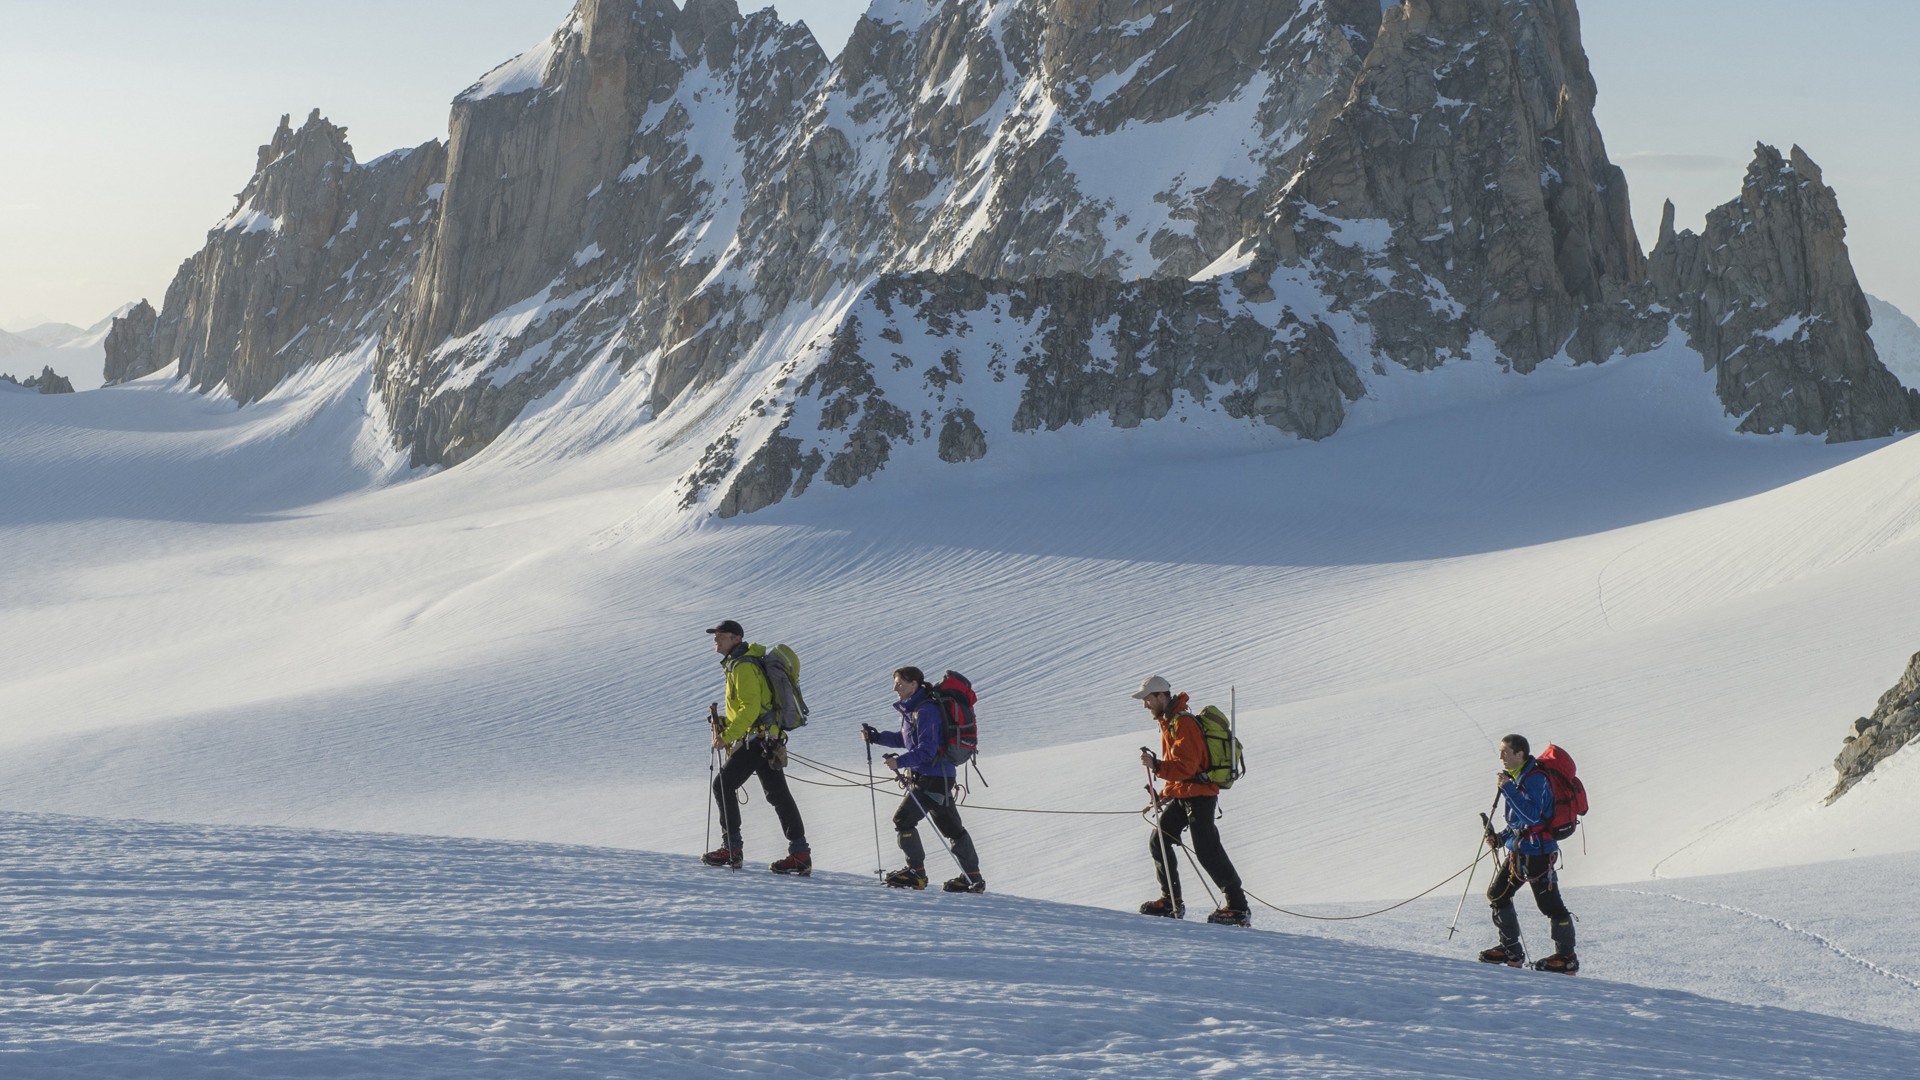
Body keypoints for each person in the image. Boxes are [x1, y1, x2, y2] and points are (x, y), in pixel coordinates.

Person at [1133, 676, 1249, 925]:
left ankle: (1238, 907)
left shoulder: (1182, 723)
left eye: (1147, 699)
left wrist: (1156, 766)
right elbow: (1183, 769)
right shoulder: (1170, 722)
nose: (1145, 705)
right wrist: (1166, 793)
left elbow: (1187, 767)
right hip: (1186, 794)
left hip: (1200, 796)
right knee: (1160, 840)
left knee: (1207, 851)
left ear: (1161, 696)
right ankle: (1171, 901)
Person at [700, 619, 812, 875]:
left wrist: (727, 735)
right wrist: (725, 723)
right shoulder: (741, 663)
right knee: (778, 795)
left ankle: (732, 849)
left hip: (757, 739)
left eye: (722, 635)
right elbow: (752, 706)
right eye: (716, 635)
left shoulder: (742, 666)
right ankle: (800, 853)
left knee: (723, 785)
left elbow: (749, 709)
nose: (716, 639)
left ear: (736, 639)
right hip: (766, 738)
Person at [864, 667, 986, 893]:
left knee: (903, 820)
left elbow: (927, 750)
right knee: (952, 828)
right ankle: (972, 877)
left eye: (899, 683)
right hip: (939, 776)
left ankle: (916, 873)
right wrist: (877, 737)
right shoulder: (915, 710)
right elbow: (905, 740)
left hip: (932, 778)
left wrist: (899, 763)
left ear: (914, 684)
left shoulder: (926, 710)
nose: (895, 688)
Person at [1479, 733, 1578, 973]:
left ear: (1519, 754)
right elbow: (1519, 823)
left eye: (1505, 752)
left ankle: (1566, 958)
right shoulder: (1519, 777)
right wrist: (1501, 838)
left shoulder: (1535, 779)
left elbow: (1534, 816)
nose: (1501, 756)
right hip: (1520, 852)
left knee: (1551, 907)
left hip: (1537, 855)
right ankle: (1511, 949)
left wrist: (1509, 790)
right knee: (1497, 894)